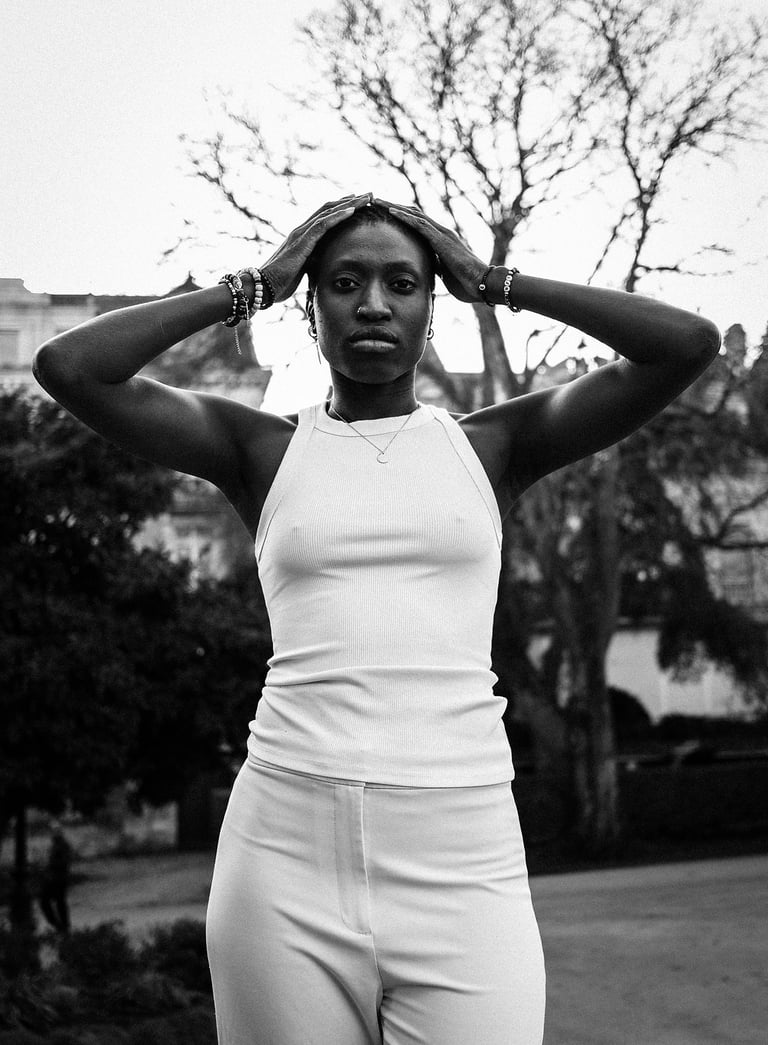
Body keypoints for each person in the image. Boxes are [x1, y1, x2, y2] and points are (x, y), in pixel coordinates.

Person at [32, 191, 720, 1044]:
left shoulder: (492, 446)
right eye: (344, 281)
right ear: (311, 308)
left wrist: (494, 281)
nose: (372, 303)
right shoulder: (260, 450)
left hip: (462, 850)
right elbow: (70, 368)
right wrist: (252, 286)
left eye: (401, 283)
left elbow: (685, 345)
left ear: (432, 308)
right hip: (284, 848)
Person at [38, 818, 73, 934]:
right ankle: (61, 926)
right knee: (56, 902)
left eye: (56, 830)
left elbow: (65, 861)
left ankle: (62, 926)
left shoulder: (62, 845)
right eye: (52, 831)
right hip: (54, 878)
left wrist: (50, 864)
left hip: (58, 878)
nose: (53, 833)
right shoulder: (56, 845)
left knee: (55, 902)